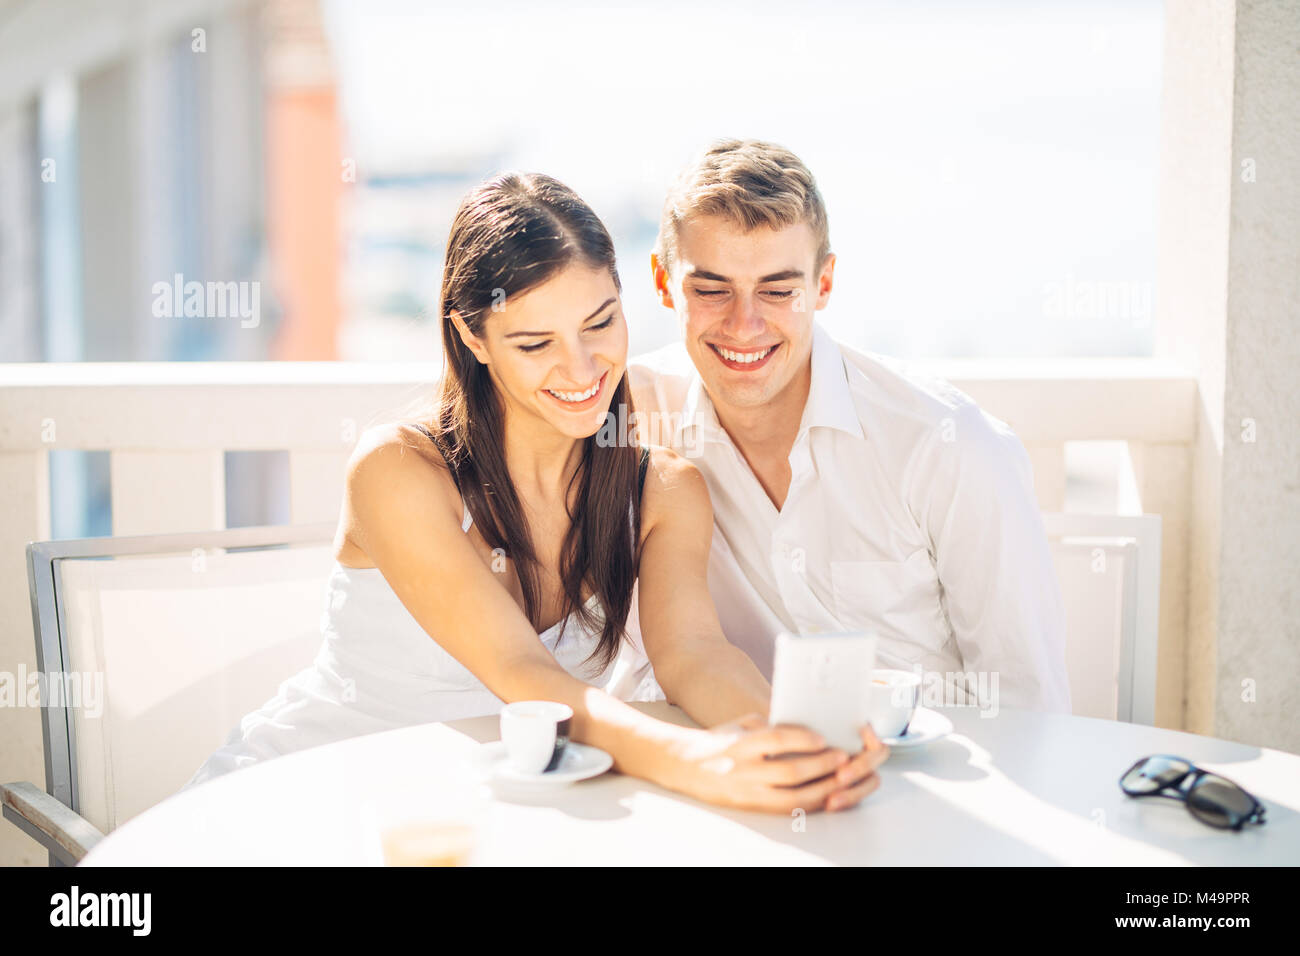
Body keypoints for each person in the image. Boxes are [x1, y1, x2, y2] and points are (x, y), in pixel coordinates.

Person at [184, 171, 887, 814]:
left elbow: (696, 655)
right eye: (534, 342)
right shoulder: (399, 473)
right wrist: (700, 763)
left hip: (486, 820)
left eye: (600, 322)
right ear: (474, 337)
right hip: (306, 797)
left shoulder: (665, 491)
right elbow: (523, 673)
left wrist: (796, 744)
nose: (582, 369)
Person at [628, 139, 1072, 713]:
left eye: (779, 290)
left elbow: (1029, 704)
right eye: (711, 290)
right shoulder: (629, 416)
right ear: (664, 284)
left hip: (927, 779)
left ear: (824, 285)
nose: (744, 324)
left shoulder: (948, 445)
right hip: (732, 768)